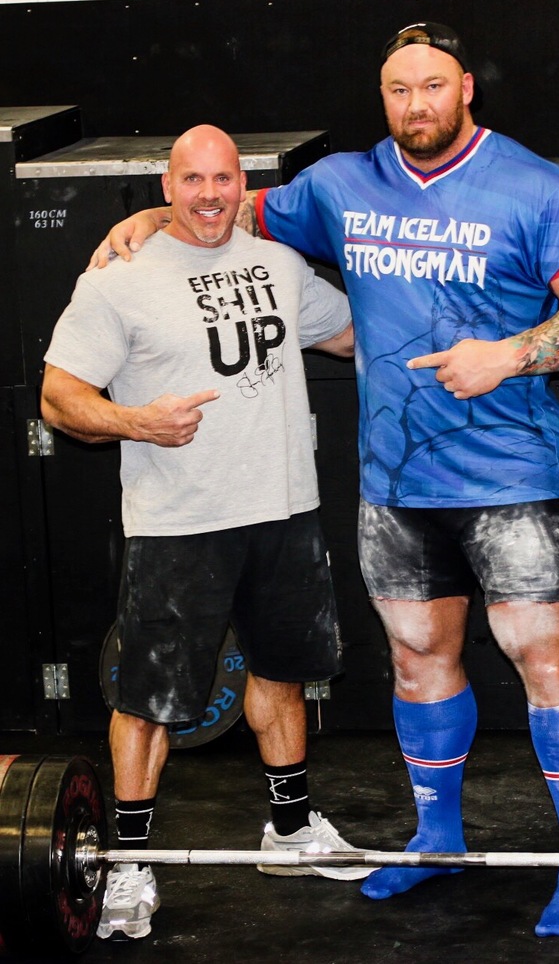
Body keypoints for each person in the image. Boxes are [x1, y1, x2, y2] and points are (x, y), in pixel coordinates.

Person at [89, 23, 559, 938]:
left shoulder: (538, 188)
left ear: (467, 88)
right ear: (382, 97)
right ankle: (436, 840)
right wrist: (154, 219)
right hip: (397, 484)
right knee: (419, 662)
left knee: (547, 663)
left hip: (509, 475)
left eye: (433, 85)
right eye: (398, 90)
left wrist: (511, 353)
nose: (416, 105)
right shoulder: (340, 185)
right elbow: (228, 208)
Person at [41, 124, 375, 943]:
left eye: (223, 179)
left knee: (282, 675)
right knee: (146, 702)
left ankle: (290, 833)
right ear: (167, 186)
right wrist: (138, 422)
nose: (209, 195)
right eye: (192, 180)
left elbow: (357, 336)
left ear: (242, 185)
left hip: (283, 510)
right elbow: (57, 397)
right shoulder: (120, 278)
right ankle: (129, 864)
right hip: (180, 522)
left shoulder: (279, 265)